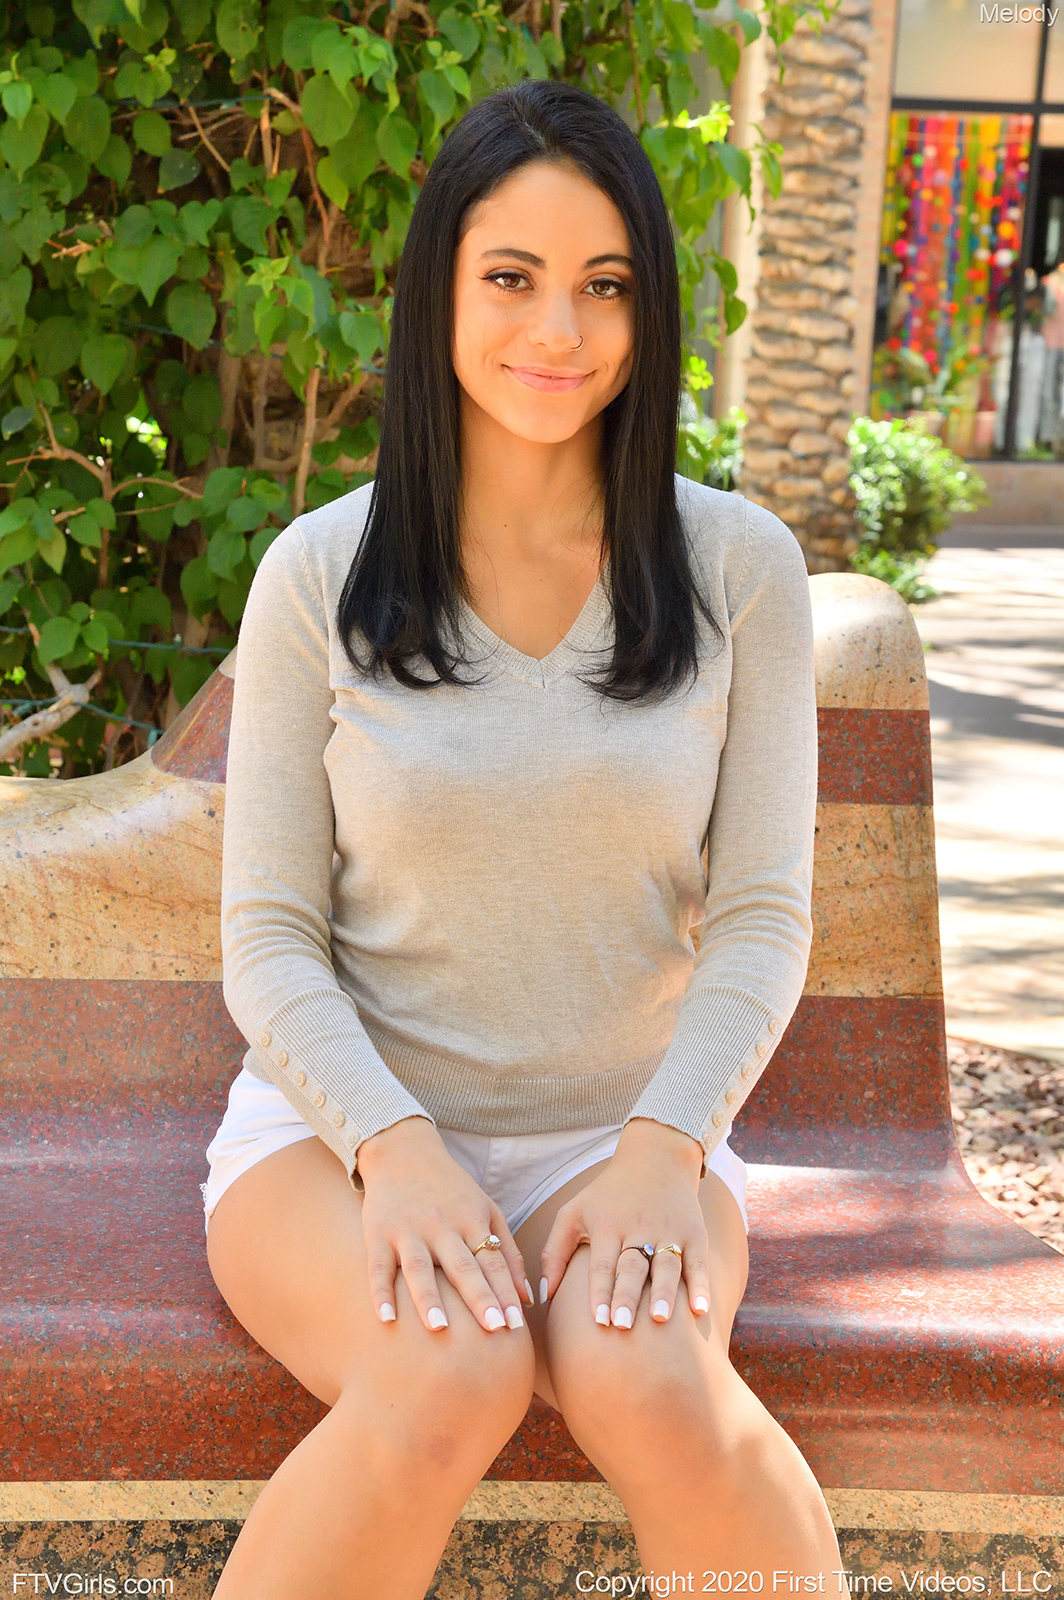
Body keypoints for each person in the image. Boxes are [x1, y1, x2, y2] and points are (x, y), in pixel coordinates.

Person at [201, 78, 842, 1598]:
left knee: (656, 1385)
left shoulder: (738, 570)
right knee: (450, 1370)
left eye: (605, 285)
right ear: (440, 290)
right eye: (512, 277)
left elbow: (763, 915)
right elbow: (269, 938)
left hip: (626, 1137)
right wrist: (396, 1151)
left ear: (651, 311)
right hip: (338, 1141)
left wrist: (667, 1153)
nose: (560, 329)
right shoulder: (321, 573)